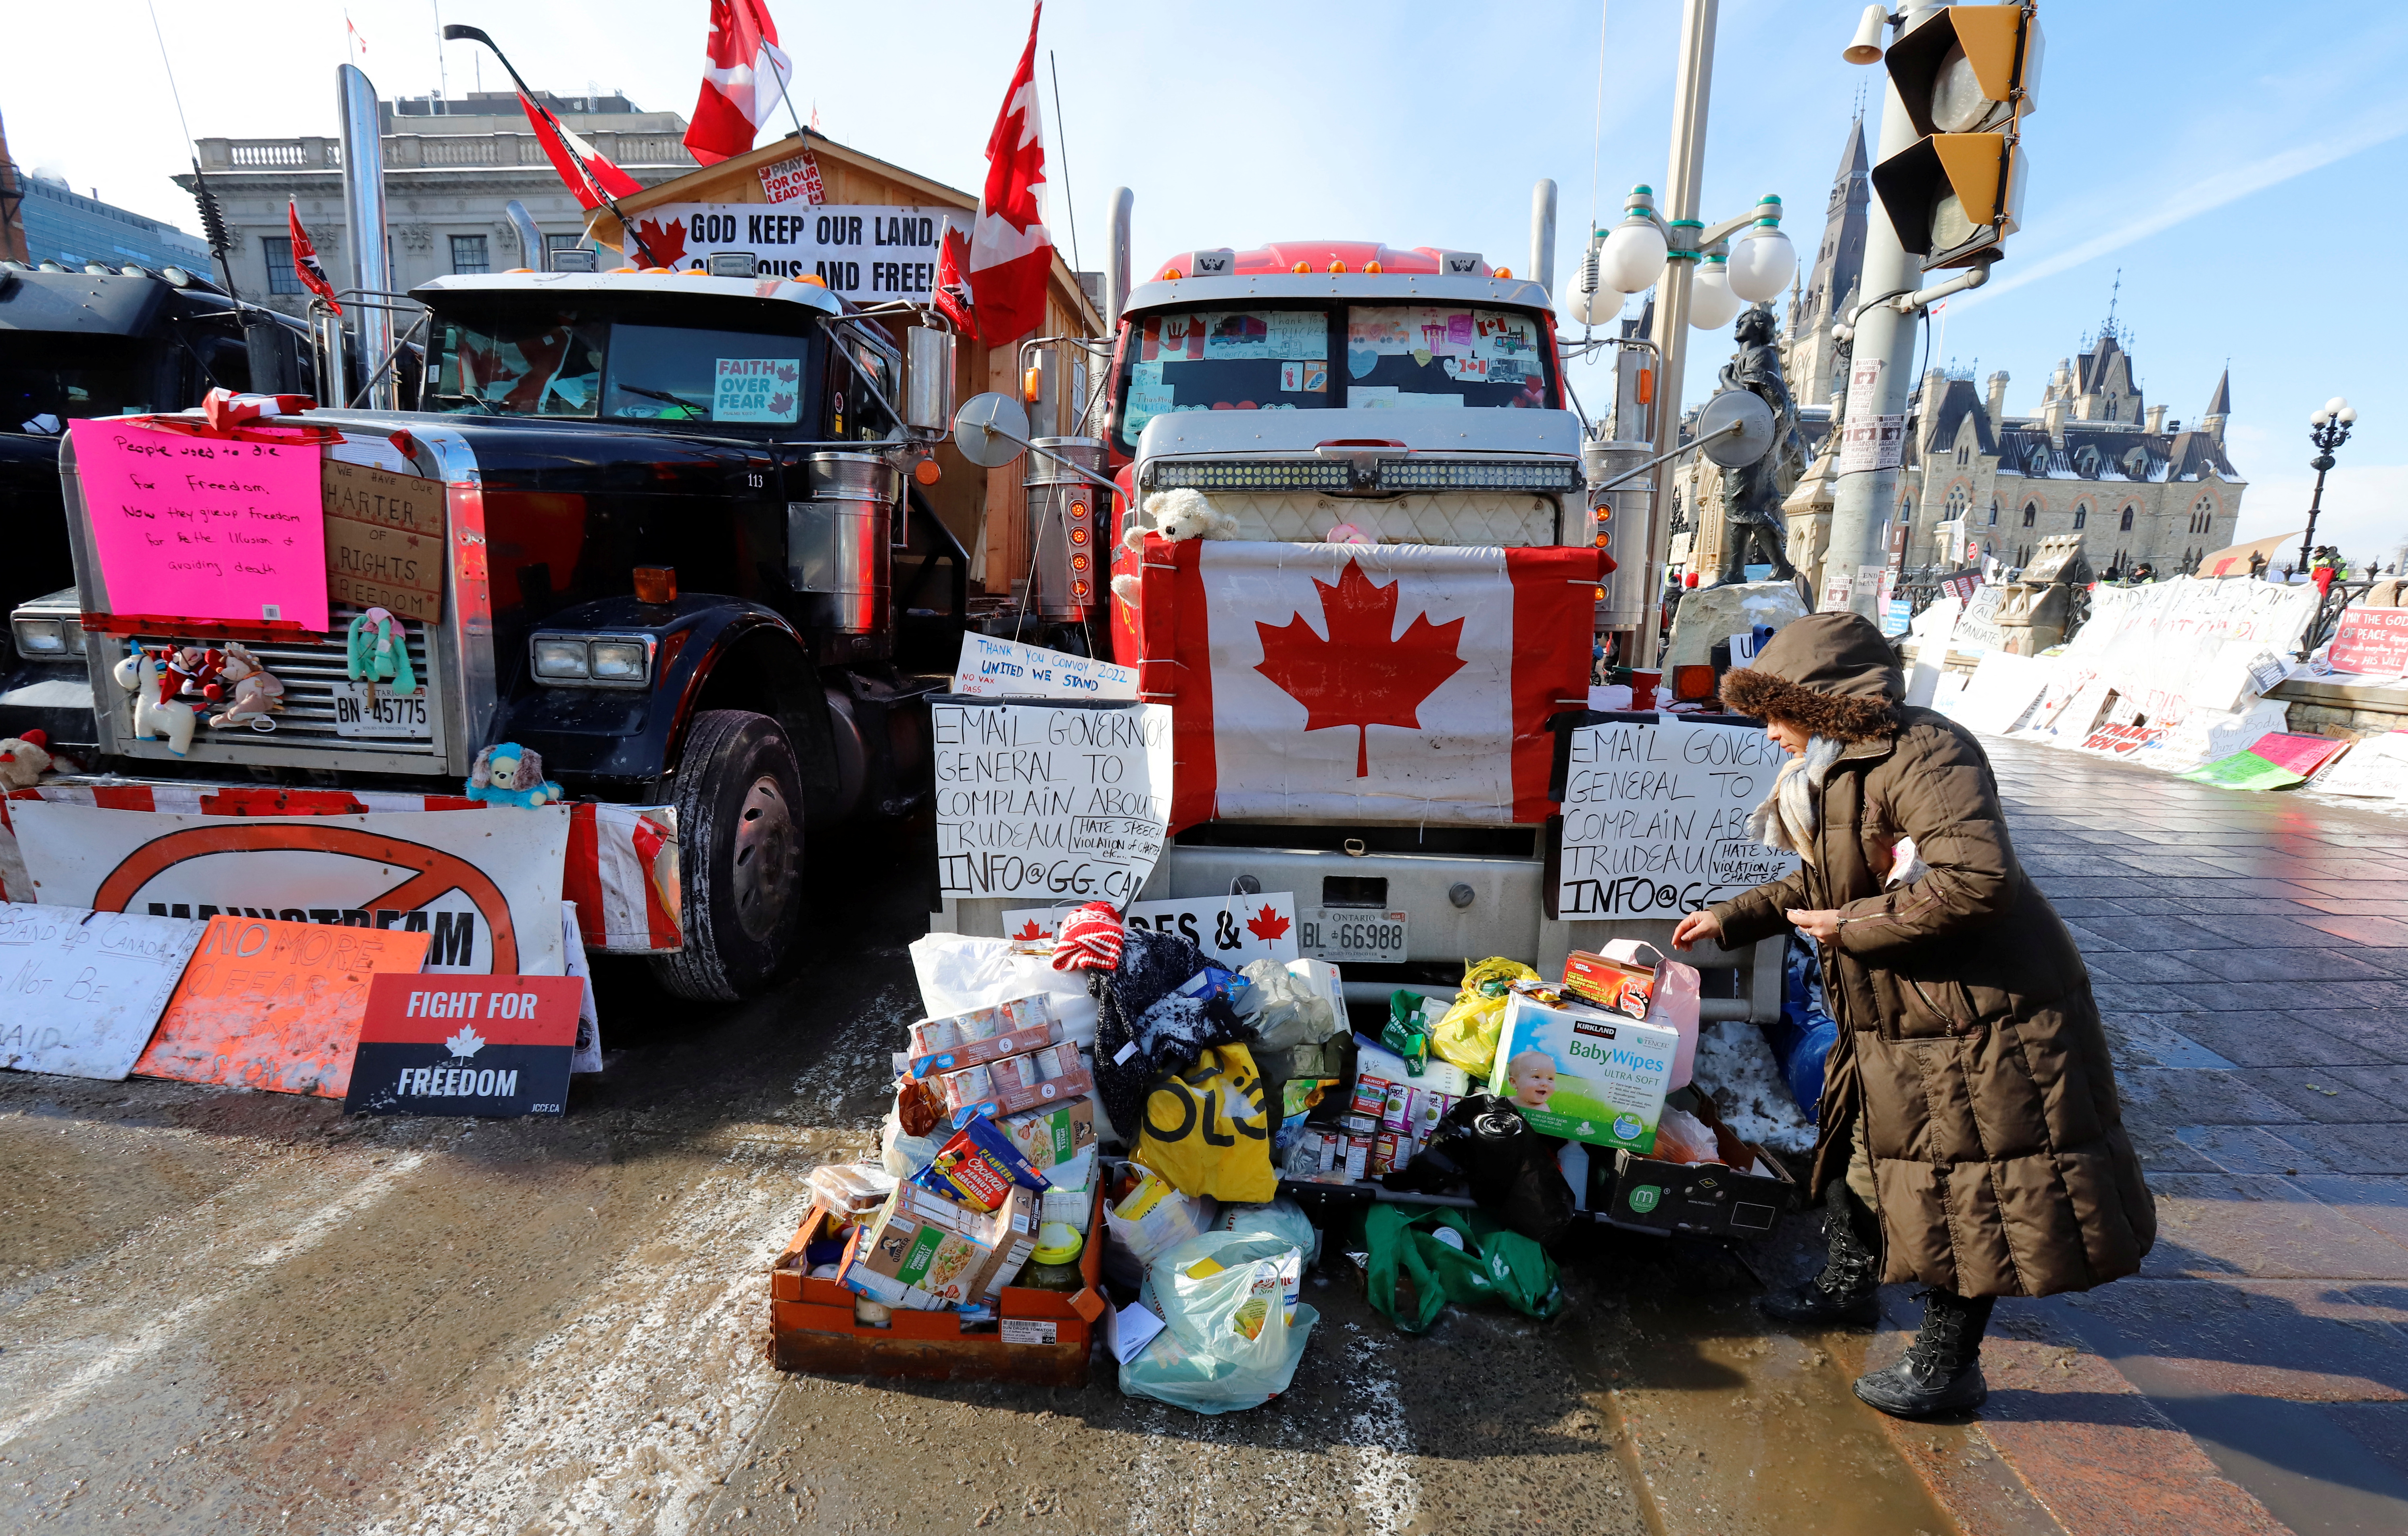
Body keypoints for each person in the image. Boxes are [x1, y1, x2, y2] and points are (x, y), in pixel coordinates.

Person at [1670, 612, 2154, 1418]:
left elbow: (1976, 880)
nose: (1768, 734)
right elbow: (1828, 881)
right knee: (1863, 1144)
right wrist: (1736, 916)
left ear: (1821, 701)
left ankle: (1946, 1367)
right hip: (1903, 1006)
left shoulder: (1929, 751)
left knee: (1973, 1189)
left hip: (1982, 1012)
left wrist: (1852, 927)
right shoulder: (1837, 764)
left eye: (1775, 713)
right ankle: (1847, 1285)